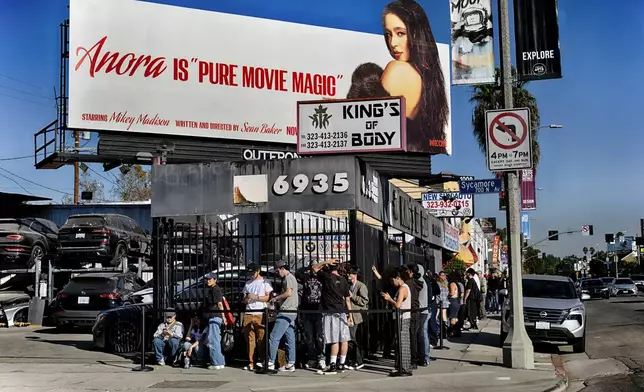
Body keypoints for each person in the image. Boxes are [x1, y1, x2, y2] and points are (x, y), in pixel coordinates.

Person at [346, 0, 449, 154]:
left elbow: (360, 128)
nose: (393, 43)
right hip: (410, 160)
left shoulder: (398, 70)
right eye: (388, 34)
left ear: (416, 34)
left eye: (400, 33)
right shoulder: (430, 81)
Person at [312, 259, 353, 374]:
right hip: (342, 312)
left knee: (334, 338)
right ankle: (342, 363)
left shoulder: (327, 277)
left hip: (330, 312)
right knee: (344, 338)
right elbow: (347, 299)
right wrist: (350, 315)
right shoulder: (343, 280)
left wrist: (326, 261)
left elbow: (314, 268)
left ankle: (333, 364)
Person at [267, 260, 299, 373]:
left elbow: (288, 293)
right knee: (290, 337)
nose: (277, 273)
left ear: (281, 268)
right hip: (292, 311)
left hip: (286, 310)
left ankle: (270, 362)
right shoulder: (292, 277)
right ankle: (291, 363)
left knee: (274, 337)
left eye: (277, 270)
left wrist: (276, 298)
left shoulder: (288, 278)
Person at [381, 268, 413, 376]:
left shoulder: (403, 289)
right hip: (402, 318)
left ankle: (404, 367)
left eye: (392, 280)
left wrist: (389, 299)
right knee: (401, 342)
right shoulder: (403, 288)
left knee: (402, 343)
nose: (392, 283)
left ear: (397, 278)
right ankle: (403, 366)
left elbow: (398, 305)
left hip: (402, 318)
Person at [241, 264, 273, 371]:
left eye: (253, 272)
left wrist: (256, 297)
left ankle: (263, 360)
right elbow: (243, 299)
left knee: (261, 338)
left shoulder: (265, 282)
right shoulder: (248, 284)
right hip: (249, 312)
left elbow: (268, 297)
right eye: (250, 273)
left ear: (258, 271)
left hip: (260, 312)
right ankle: (251, 362)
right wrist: (247, 298)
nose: (251, 275)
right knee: (250, 339)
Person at [295, 264, 325, 370]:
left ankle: (321, 357)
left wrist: (321, 266)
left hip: (318, 310)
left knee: (320, 336)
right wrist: (310, 267)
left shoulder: (322, 277)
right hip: (307, 309)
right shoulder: (306, 277)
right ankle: (312, 358)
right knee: (309, 336)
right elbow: (297, 273)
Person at [201, 272, 227, 370]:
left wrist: (223, 316)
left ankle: (216, 363)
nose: (208, 281)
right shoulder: (213, 289)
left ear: (215, 280)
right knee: (215, 339)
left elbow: (220, 304)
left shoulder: (215, 289)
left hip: (215, 316)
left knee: (213, 340)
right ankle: (220, 362)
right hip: (215, 316)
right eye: (207, 279)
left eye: (210, 279)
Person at [347, 266, 369, 370]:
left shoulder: (361, 286)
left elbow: (364, 301)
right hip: (350, 314)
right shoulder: (349, 285)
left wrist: (353, 297)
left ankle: (358, 360)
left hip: (357, 315)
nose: (348, 276)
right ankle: (353, 359)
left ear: (354, 275)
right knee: (350, 337)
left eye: (350, 274)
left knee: (352, 337)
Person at [416, 264, 430, 366]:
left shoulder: (420, 282)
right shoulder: (424, 281)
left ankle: (424, 357)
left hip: (421, 311)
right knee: (424, 334)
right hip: (425, 310)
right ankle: (426, 356)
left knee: (421, 334)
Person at [447, 272, 461, 337]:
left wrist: (447, 294)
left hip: (453, 301)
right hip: (456, 301)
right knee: (455, 317)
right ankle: (457, 331)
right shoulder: (456, 284)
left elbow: (452, 293)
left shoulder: (452, 284)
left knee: (452, 317)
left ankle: (453, 331)